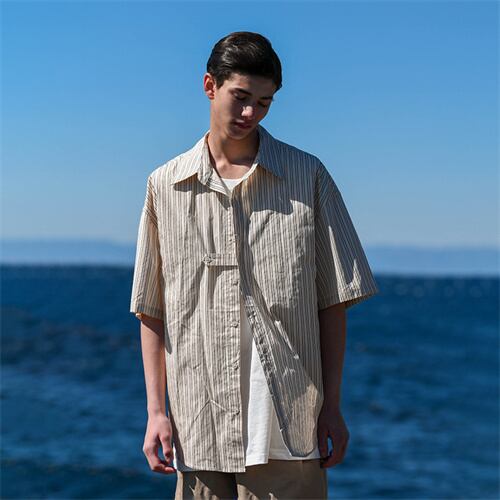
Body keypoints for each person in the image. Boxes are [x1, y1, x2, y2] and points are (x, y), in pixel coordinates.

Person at [130, 31, 379, 500]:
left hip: (287, 427)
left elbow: (332, 302)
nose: (250, 113)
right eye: (241, 97)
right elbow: (152, 309)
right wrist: (155, 412)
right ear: (210, 85)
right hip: (198, 426)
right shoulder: (165, 185)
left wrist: (332, 406)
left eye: (264, 103)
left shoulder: (308, 176)